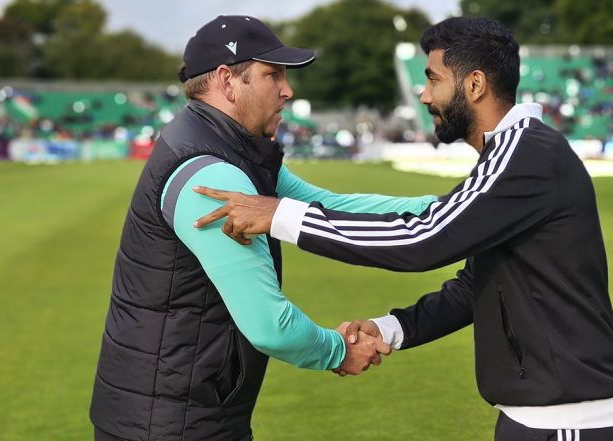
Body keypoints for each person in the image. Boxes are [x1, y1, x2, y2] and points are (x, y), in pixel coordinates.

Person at [194, 17, 613, 440]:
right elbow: (474, 286)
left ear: (475, 85)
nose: (424, 96)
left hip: (568, 415)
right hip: (545, 410)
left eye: (433, 79)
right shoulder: (512, 154)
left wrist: (280, 216)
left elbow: (421, 239)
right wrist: (390, 329)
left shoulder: (524, 156)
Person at [89, 15, 434, 441]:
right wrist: (338, 350)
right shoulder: (215, 175)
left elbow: (331, 207)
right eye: (272, 75)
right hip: (173, 423)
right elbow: (270, 324)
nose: (288, 90)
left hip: (175, 412)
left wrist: (445, 207)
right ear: (226, 81)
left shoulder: (226, 150)